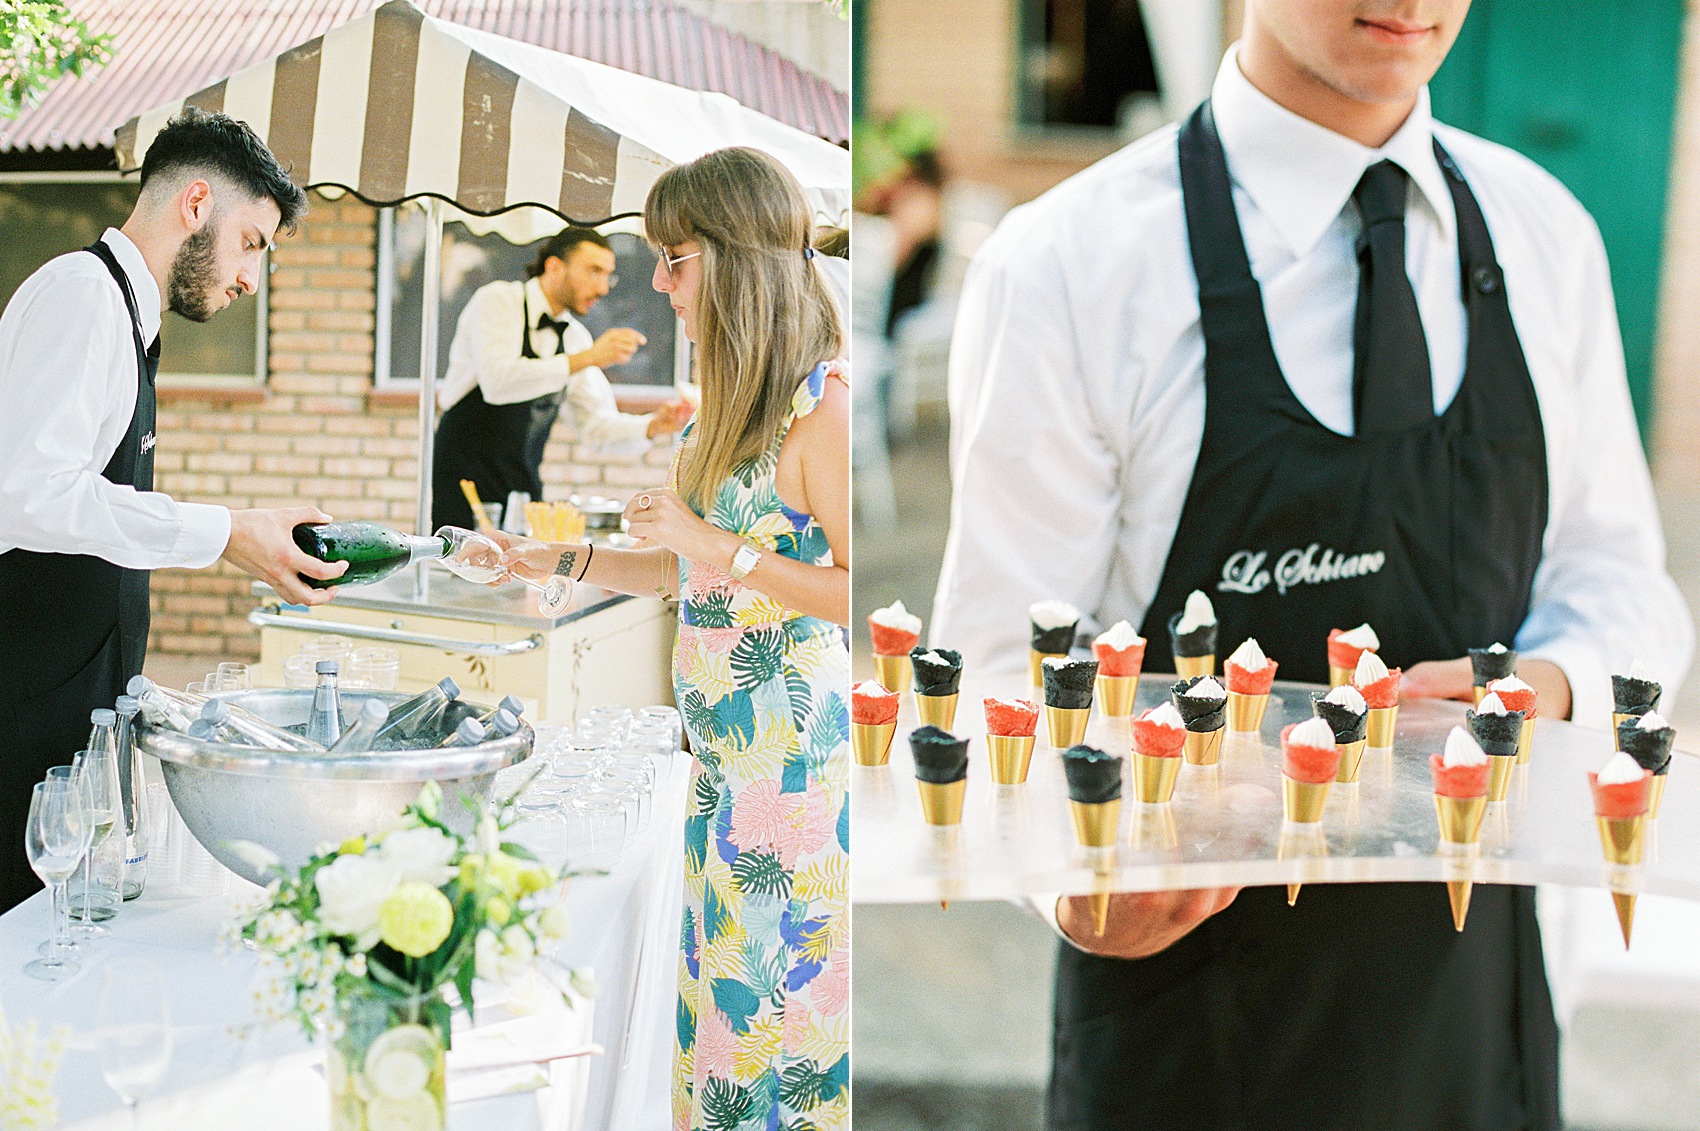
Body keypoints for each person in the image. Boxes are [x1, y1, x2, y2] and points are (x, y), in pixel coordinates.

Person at [932, 2, 1693, 1128]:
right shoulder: (1068, 265)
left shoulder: (1546, 235)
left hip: (1473, 1023)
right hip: (1189, 1032)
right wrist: (1063, 876)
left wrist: (1554, 684)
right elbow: (998, 665)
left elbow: (1619, 578)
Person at [496, 148, 849, 1130]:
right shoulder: (723, 410)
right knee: (721, 1033)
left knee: (774, 1037)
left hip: (791, 791)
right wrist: (553, 562)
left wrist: (710, 544)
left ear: (735, 262)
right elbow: (683, 569)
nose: (656, 283)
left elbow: (850, 596)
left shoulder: (820, 411)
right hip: (723, 778)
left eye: (672, 257)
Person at [0, 108, 346, 910]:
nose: (252, 279)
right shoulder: (83, 297)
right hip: (20, 715)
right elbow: (27, 495)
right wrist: (226, 531)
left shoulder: (124, 313)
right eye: (251, 243)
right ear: (196, 204)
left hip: (63, 710)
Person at [430, 226, 693, 531]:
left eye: (608, 275)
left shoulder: (575, 338)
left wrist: (651, 426)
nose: (604, 288)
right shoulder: (497, 300)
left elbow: (594, 426)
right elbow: (498, 382)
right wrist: (589, 358)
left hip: (521, 483)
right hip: (462, 480)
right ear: (554, 266)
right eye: (594, 272)